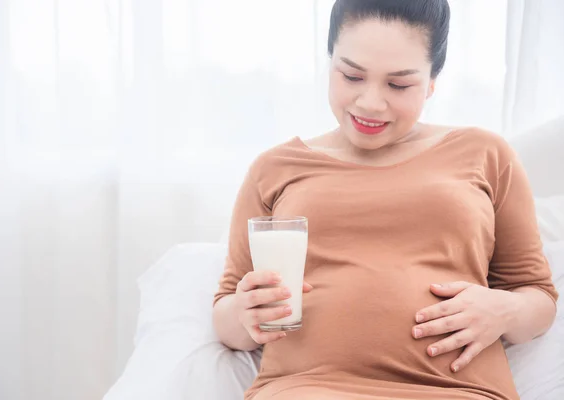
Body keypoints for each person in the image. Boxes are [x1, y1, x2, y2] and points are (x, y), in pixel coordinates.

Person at [212, 1, 559, 399]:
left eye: (398, 85)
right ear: (329, 65)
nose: (370, 103)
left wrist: (505, 310)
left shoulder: (486, 154)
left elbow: (537, 296)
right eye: (352, 76)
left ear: (432, 81)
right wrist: (244, 313)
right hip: (308, 389)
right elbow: (226, 312)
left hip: (458, 390)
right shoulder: (274, 169)